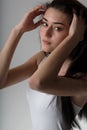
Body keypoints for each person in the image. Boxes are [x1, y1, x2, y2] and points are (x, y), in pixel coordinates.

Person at [0, 0, 87, 129]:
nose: (46, 34)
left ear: (78, 32)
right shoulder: (41, 59)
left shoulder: (82, 78)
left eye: (58, 28)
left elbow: (37, 83)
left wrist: (74, 38)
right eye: (45, 24)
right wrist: (18, 30)